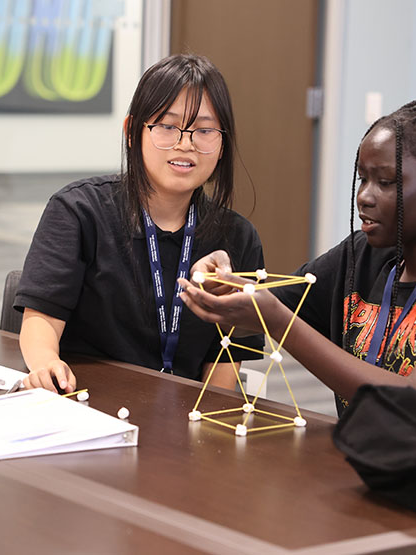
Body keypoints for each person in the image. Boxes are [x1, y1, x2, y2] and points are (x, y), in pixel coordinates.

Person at [181, 98, 416, 554]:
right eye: (363, 179)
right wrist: (219, 281)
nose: (365, 196)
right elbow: (267, 303)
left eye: (387, 182)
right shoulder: (363, 257)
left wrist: (277, 321)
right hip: (379, 490)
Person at [14, 54, 264, 393]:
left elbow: (226, 362)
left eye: (204, 130)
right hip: (85, 405)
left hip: (181, 420)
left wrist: (205, 420)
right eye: (167, 126)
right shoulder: (78, 211)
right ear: (133, 131)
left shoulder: (238, 237)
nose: (185, 143)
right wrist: (46, 363)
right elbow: (41, 316)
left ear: (222, 144)